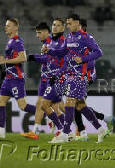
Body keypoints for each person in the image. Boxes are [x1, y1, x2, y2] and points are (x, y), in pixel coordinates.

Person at [43, 14, 108, 143]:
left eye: (70, 23)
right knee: (80, 105)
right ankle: (100, 129)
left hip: (80, 75)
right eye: (67, 23)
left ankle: (65, 133)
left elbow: (98, 52)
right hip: (70, 74)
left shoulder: (86, 37)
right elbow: (62, 53)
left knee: (70, 100)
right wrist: (49, 51)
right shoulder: (69, 37)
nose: (68, 26)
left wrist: (83, 59)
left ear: (77, 23)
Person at [0, 18, 36, 139]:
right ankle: (1, 131)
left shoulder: (17, 41)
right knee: (0, 102)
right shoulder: (10, 41)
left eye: (8, 26)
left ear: (15, 28)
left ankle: (47, 113)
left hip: (16, 79)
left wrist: (5, 61)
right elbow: (12, 59)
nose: (6, 27)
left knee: (23, 106)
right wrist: (3, 61)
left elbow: (23, 58)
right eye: (6, 26)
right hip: (8, 79)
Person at [21, 21, 66, 140]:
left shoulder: (53, 42)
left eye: (39, 33)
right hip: (45, 77)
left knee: (58, 107)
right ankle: (36, 130)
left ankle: (72, 128)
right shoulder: (48, 42)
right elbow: (47, 60)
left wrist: (33, 57)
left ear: (47, 32)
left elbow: (49, 58)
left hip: (52, 78)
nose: (37, 35)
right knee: (44, 105)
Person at [74, 18, 114, 141]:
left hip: (86, 75)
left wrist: (80, 62)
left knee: (76, 104)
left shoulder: (87, 40)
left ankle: (83, 133)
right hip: (77, 76)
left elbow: (91, 62)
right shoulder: (75, 40)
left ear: (82, 27)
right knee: (78, 105)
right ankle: (105, 119)